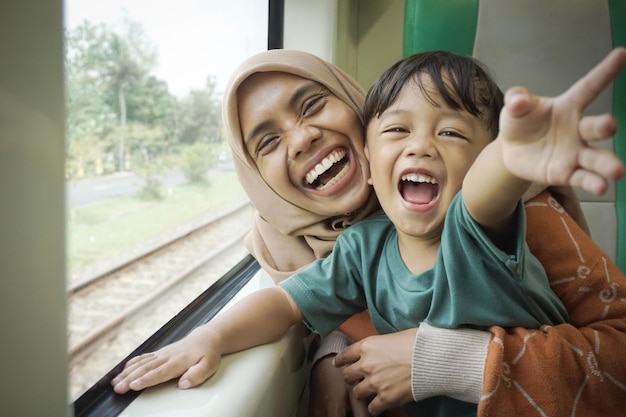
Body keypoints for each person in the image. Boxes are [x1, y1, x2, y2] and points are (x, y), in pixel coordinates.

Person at [111, 48, 626, 417]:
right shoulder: (358, 247)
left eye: (313, 106)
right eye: (266, 141)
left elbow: (484, 197)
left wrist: (511, 160)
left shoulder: (487, 222)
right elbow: (289, 303)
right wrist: (212, 334)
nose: (303, 137)